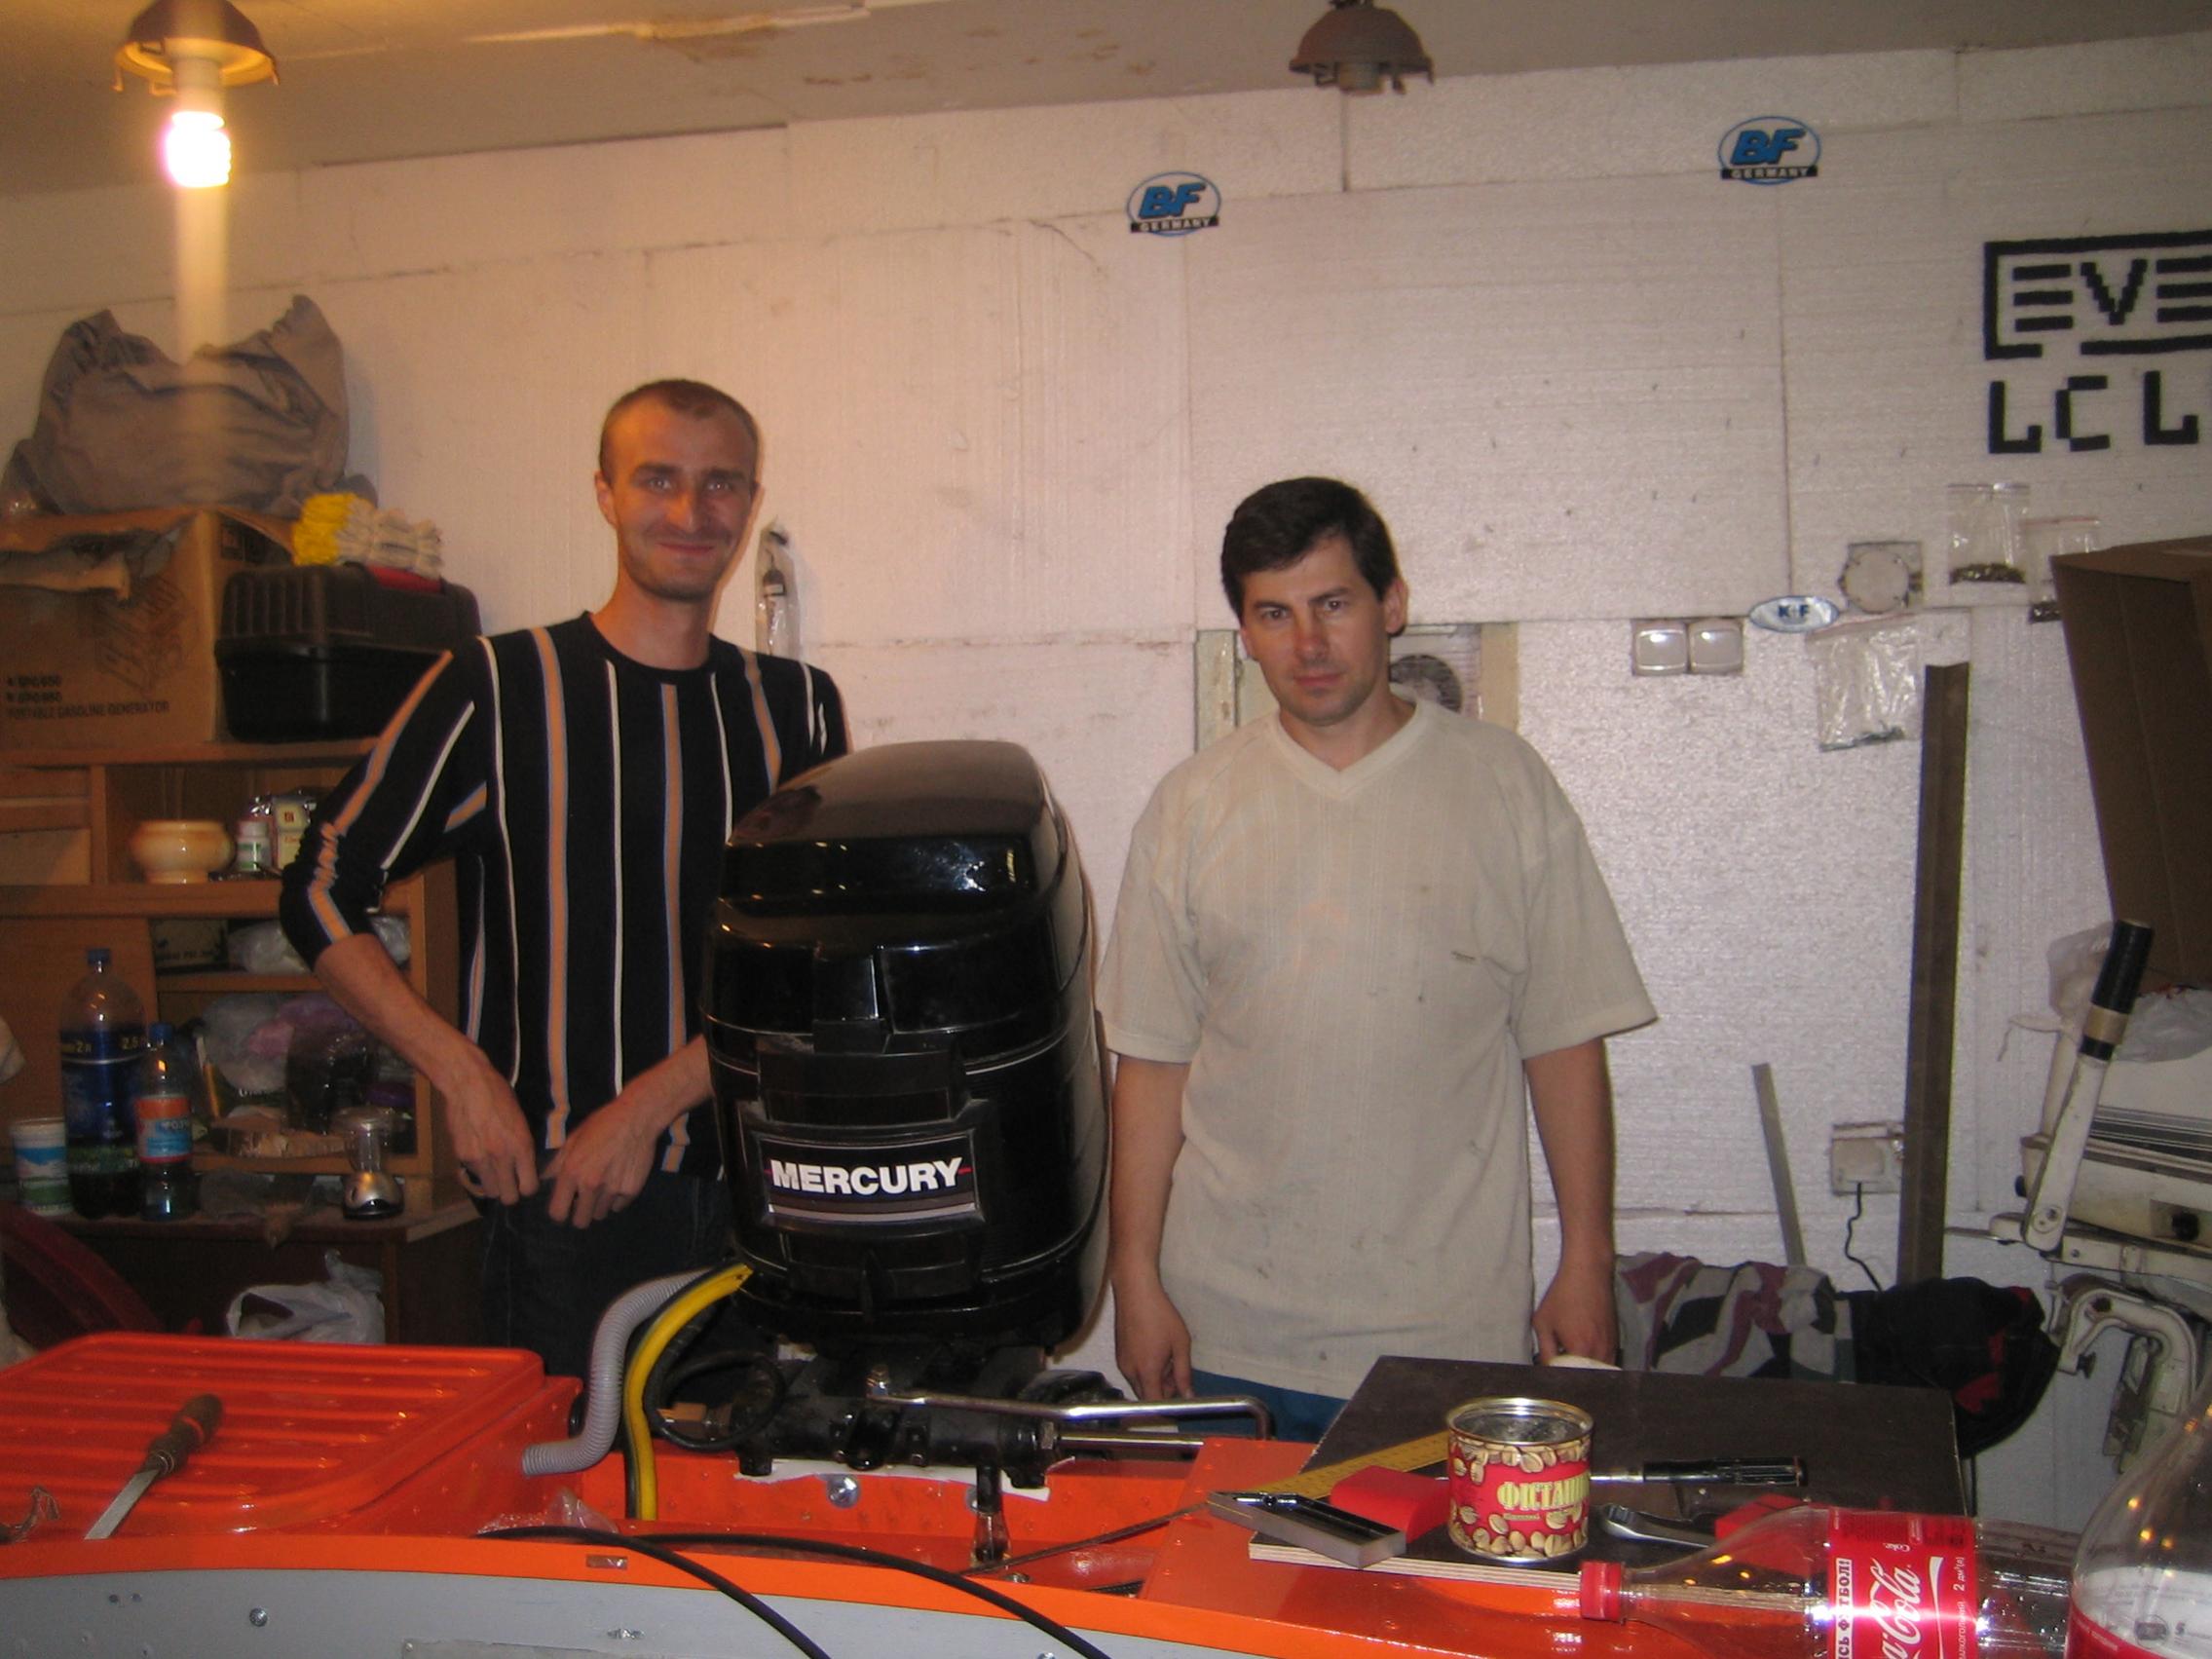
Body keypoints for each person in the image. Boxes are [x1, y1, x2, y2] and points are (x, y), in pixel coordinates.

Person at [280, 379, 848, 1379]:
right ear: (604, 493)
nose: (690, 510)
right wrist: (462, 1074)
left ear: (750, 501)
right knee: (573, 1473)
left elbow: (816, 956)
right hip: (569, 1201)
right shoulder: (497, 686)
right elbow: (320, 885)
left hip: (753, 1191)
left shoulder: (796, 707)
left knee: (730, 1473)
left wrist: (651, 1105)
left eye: (719, 484)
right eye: (657, 479)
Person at [1099, 476, 1654, 1442]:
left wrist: (1586, 1260)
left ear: (1391, 605)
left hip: (1445, 1334)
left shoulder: (1503, 786)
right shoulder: (1190, 808)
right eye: (1274, 613)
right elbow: (1150, 1067)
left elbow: (1563, 1040)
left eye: (1333, 603)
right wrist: (1134, 1279)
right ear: (1245, 633)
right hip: (1226, 1332)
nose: (1308, 644)